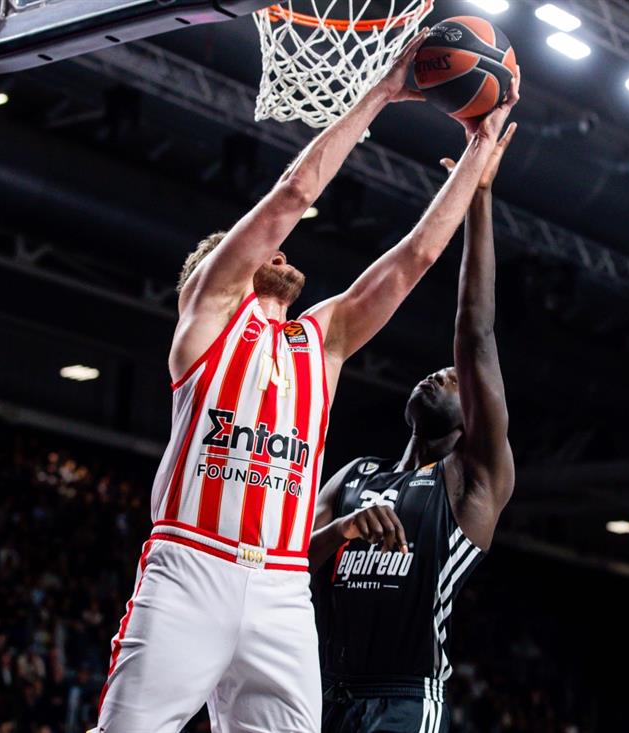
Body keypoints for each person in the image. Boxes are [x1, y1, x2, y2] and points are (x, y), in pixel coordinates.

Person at [94, 29, 521, 733]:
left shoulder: (318, 341)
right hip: (193, 564)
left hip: (282, 585)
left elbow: (415, 258)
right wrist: (383, 91)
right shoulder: (208, 319)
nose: (282, 249)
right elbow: (293, 193)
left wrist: (479, 150)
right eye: (265, 249)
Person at [308, 116, 518, 733]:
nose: (438, 377)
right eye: (436, 374)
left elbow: (475, 334)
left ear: (472, 415)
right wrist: (341, 529)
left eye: (451, 380)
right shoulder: (355, 476)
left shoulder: (471, 481)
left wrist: (479, 197)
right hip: (323, 691)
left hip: (404, 699)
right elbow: (287, 561)